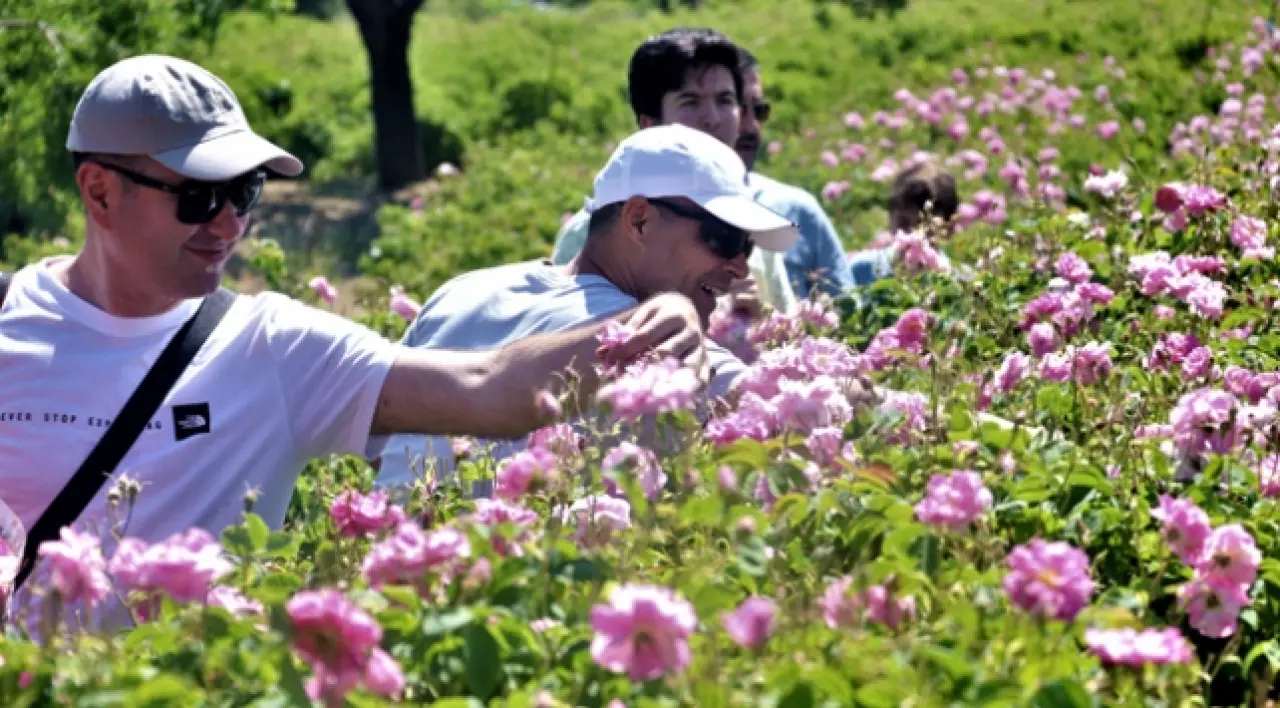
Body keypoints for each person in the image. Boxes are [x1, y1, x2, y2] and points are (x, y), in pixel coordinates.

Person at [0, 55, 710, 630]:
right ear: (98, 191)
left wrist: (661, 311)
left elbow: (494, 388)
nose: (227, 226)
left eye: (243, 195)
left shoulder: (271, 348)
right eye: (197, 197)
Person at [372, 123, 799, 489]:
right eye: (723, 239)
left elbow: (379, 453)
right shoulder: (652, 345)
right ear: (639, 220)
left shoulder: (459, 293)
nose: (741, 268)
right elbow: (810, 425)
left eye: (746, 245)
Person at [550, 28, 796, 317]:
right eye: (690, 101)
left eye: (725, 100)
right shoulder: (593, 235)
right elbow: (576, 335)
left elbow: (788, 331)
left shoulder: (750, 222)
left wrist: (757, 329)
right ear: (649, 126)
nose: (713, 118)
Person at [733, 48, 858, 299]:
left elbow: (848, 321)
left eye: (759, 110)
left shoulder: (796, 210)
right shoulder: (656, 218)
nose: (751, 127)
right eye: (735, 108)